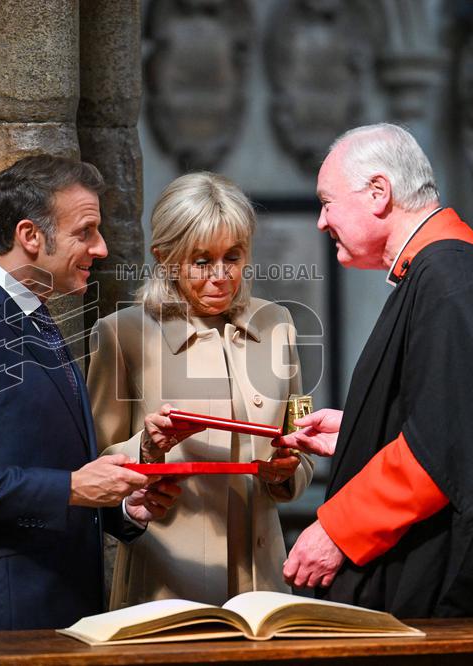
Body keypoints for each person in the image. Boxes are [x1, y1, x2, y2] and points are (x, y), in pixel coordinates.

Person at [278, 123, 473, 617]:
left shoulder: (455, 284)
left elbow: (446, 449)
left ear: (379, 193)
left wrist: (336, 531)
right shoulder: (452, 274)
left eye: (327, 202)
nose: (321, 222)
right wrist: (359, 432)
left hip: (458, 602)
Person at [0, 155, 179, 632]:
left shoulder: (39, 318)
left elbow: (48, 458)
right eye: (86, 232)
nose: (100, 248)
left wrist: (119, 508)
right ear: (30, 236)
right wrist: (74, 489)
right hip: (3, 618)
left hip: (61, 607)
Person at [87, 172, 315, 609]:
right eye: (201, 261)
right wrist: (147, 447)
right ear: (165, 258)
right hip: (165, 584)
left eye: (233, 256)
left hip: (263, 582)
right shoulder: (122, 334)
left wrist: (288, 471)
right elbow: (91, 465)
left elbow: (300, 439)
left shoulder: (278, 325)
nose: (220, 276)